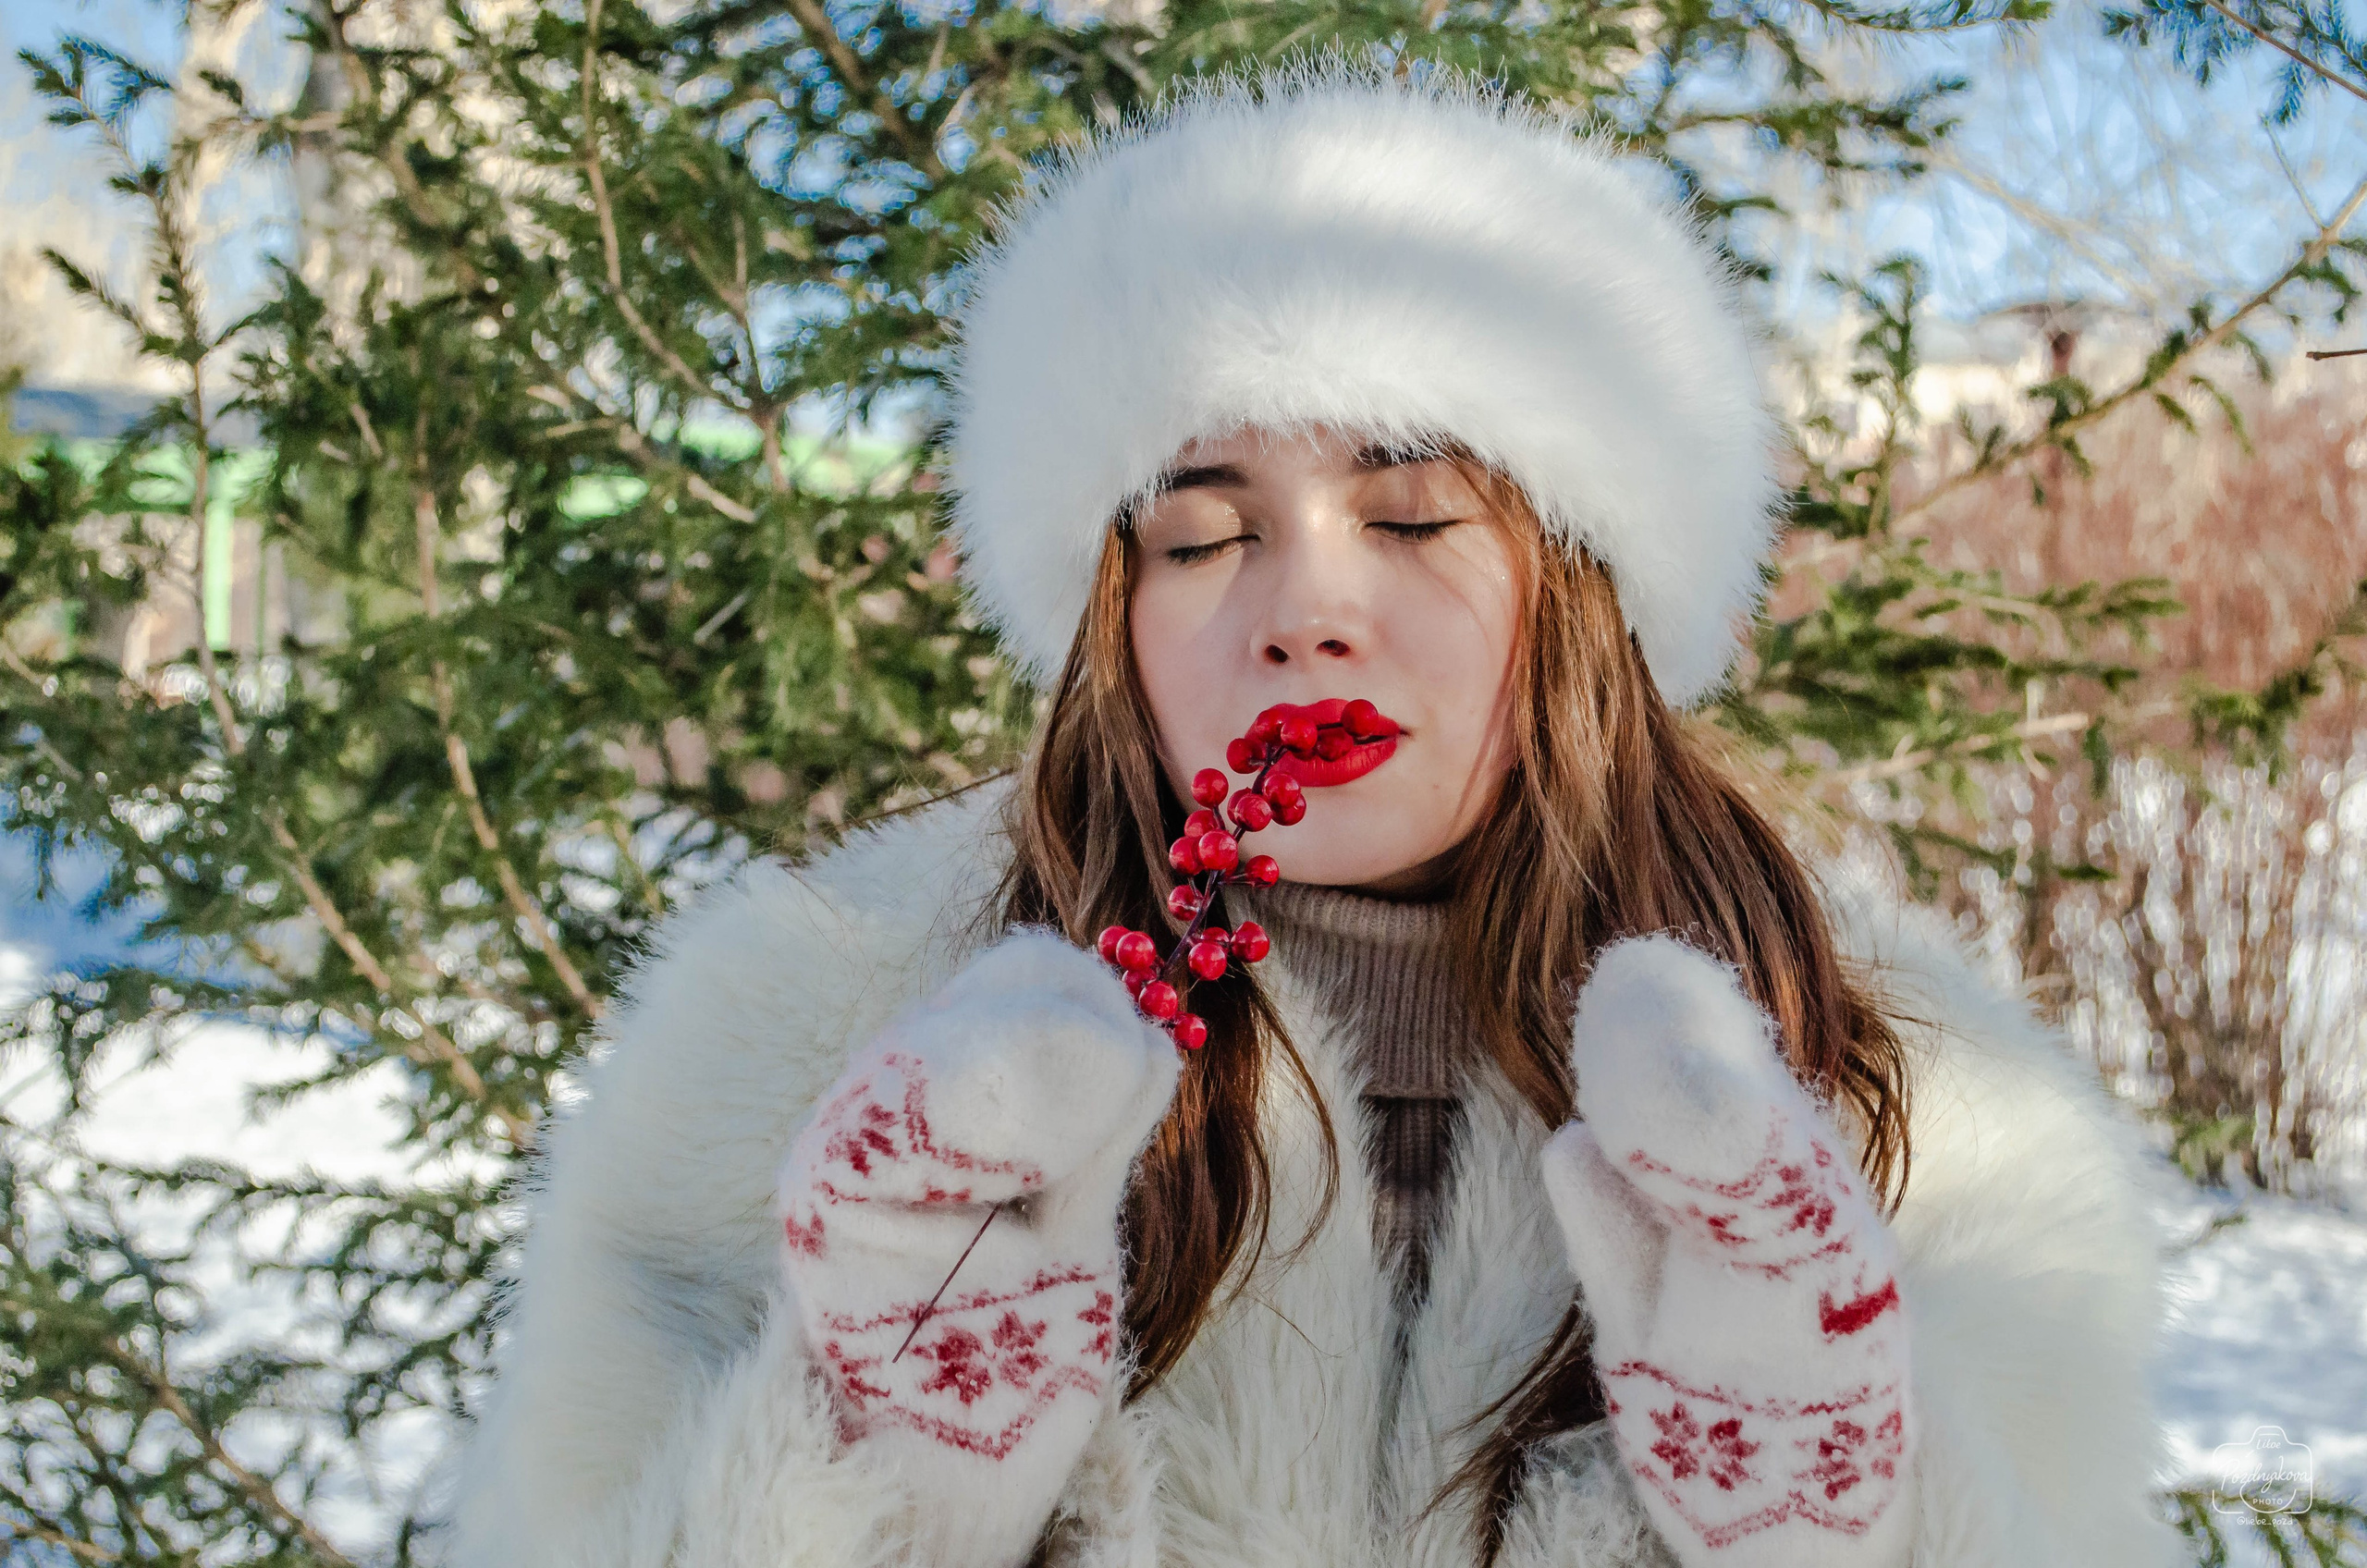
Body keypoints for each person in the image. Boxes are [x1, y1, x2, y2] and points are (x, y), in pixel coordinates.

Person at [447, 62, 2185, 1568]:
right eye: (1204, 538)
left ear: (1581, 591)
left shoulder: (1915, 1126)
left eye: (1416, 518)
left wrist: (1840, 1529)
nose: (1304, 610)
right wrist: (872, 1481)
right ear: (1111, 624)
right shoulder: (818, 1051)